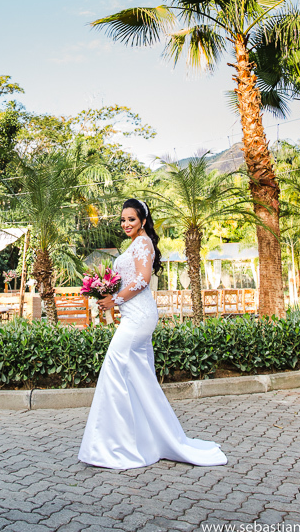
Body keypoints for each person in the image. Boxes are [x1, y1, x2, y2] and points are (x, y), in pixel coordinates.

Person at [78, 199, 227, 470]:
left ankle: (115, 445)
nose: (126, 224)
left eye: (131, 219)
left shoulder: (143, 243)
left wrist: (116, 300)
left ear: (143, 221)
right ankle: (145, 440)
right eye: (123, 220)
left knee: (114, 366)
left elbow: (143, 278)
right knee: (137, 376)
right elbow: (131, 277)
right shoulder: (135, 244)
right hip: (134, 314)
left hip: (139, 316)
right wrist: (108, 292)